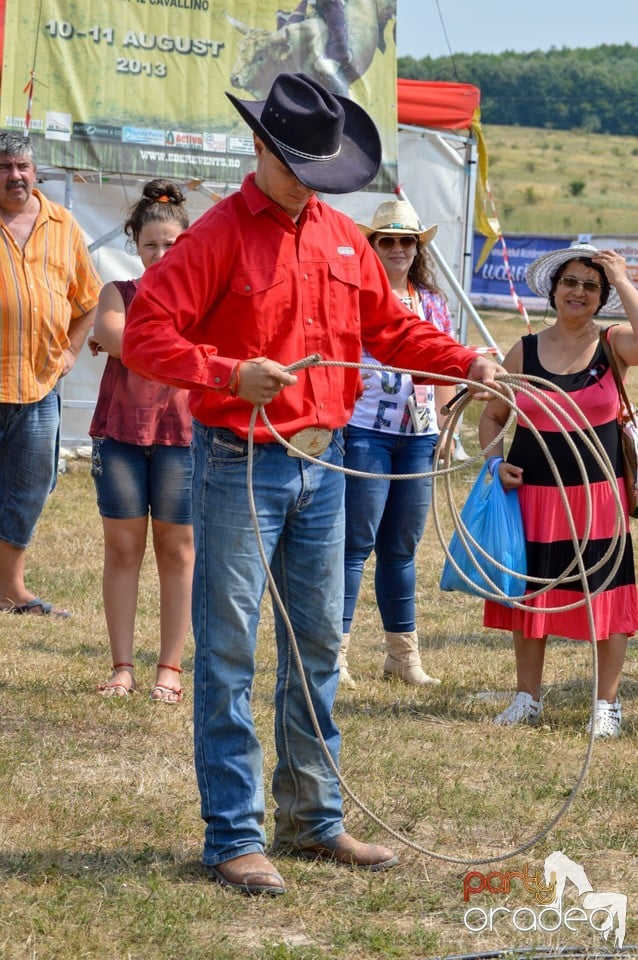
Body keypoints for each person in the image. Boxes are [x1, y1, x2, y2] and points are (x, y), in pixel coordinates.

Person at [122, 72, 505, 896]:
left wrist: (466, 358)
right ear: (260, 148)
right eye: (298, 164)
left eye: (320, 167)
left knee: (319, 643)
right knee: (228, 650)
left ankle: (313, 819)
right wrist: (226, 372)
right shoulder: (219, 235)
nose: (312, 181)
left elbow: (391, 327)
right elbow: (146, 336)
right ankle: (233, 835)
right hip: (240, 459)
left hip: (325, 463)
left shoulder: (340, 237)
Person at [478, 243, 638, 737]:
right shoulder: (523, 350)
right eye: (570, 282)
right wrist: (494, 461)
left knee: (607, 597)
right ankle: (527, 696)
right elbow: (492, 416)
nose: (579, 292)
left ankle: (605, 707)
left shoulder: (615, 344)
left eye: (592, 285)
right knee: (532, 599)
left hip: (599, 497)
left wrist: (623, 278)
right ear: (553, 289)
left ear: (603, 297)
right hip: (536, 498)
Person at [338, 199, 457, 689]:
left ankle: (402, 656)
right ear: (373, 246)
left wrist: (447, 422)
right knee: (354, 545)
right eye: (387, 240)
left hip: (418, 435)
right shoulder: (355, 297)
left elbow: (445, 360)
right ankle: (336, 654)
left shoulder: (432, 303)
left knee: (402, 548)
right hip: (365, 430)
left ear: (417, 247)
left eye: (407, 240)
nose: (398, 249)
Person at [89, 180, 194, 702]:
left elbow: (122, 343)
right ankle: (122, 667)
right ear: (134, 244)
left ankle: (170, 668)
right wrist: (180, 352)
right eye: (150, 244)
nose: (160, 254)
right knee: (122, 550)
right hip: (121, 437)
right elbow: (112, 334)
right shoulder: (118, 292)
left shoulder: (204, 302)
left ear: (188, 244)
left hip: (183, 437)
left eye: (171, 244)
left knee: (177, 552)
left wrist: (131, 345)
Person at [0, 132, 101, 617]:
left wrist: (71, 353)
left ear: (35, 172)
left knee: (30, 487)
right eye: (3, 166)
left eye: (21, 166)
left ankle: (11, 589)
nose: (14, 175)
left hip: (40, 384)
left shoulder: (62, 224)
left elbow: (89, 299)